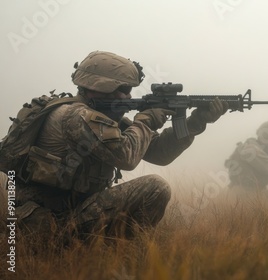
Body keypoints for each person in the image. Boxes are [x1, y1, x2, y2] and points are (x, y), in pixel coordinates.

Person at [13, 50, 228, 239]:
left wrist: (195, 123)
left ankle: (110, 252)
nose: (129, 95)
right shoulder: (76, 117)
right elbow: (127, 158)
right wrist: (145, 121)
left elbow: (159, 154)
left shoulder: (102, 119)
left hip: (71, 212)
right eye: (124, 88)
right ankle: (106, 251)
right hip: (47, 224)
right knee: (156, 187)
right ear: (99, 86)